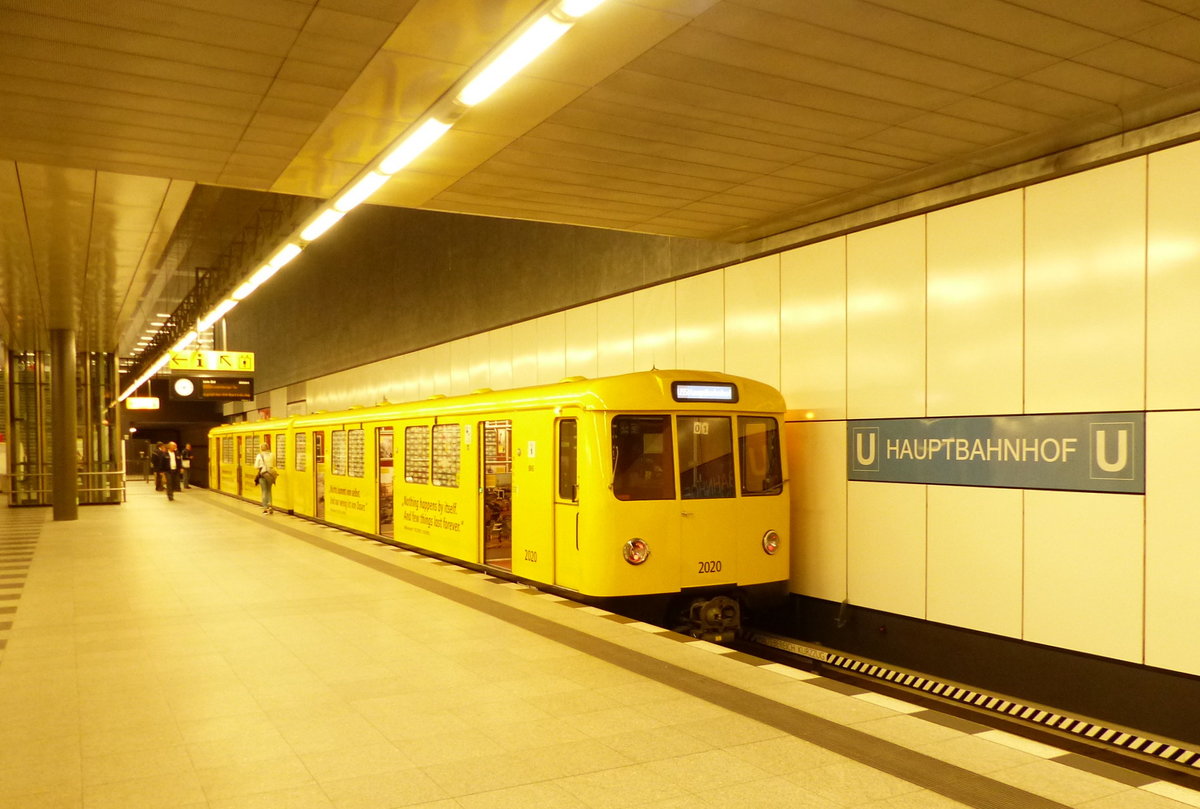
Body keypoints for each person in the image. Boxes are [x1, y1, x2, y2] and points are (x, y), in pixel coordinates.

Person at [254, 442, 277, 514]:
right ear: (268, 448)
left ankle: (265, 508)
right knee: (269, 490)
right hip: (270, 474)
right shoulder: (272, 455)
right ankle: (270, 505)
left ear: (261, 448)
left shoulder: (259, 456)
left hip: (262, 475)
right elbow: (274, 464)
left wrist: (262, 466)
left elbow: (256, 466)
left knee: (264, 491)